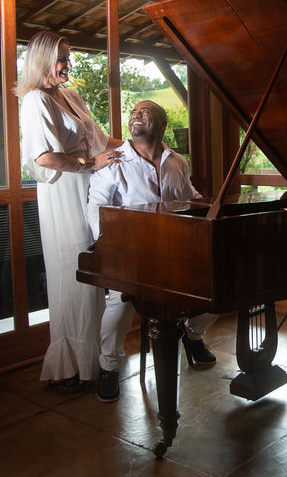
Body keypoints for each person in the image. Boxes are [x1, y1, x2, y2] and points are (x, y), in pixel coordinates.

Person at [87, 100, 218, 403]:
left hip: (175, 251)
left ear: (161, 126)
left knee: (215, 293)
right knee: (120, 302)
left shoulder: (177, 162)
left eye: (145, 112)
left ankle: (193, 334)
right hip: (131, 252)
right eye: (133, 112)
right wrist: (111, 243)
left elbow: (190, 197)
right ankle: (108, 365)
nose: (135, 114)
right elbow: (96, 206)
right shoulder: (114, 162)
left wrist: (211, 208)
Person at [16, 31, 124, 392]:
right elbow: (43, 158)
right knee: (72, 277)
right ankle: (71, 369)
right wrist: (91, 163)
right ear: (42, 61)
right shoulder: (34, 101)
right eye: (62, 58)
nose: (69, 64)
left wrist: (145, 146)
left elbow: (103, 141)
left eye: (68, 56)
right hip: (62, 194)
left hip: (90, 192)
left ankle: (97, 364)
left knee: (95, 275)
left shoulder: (71, 96)